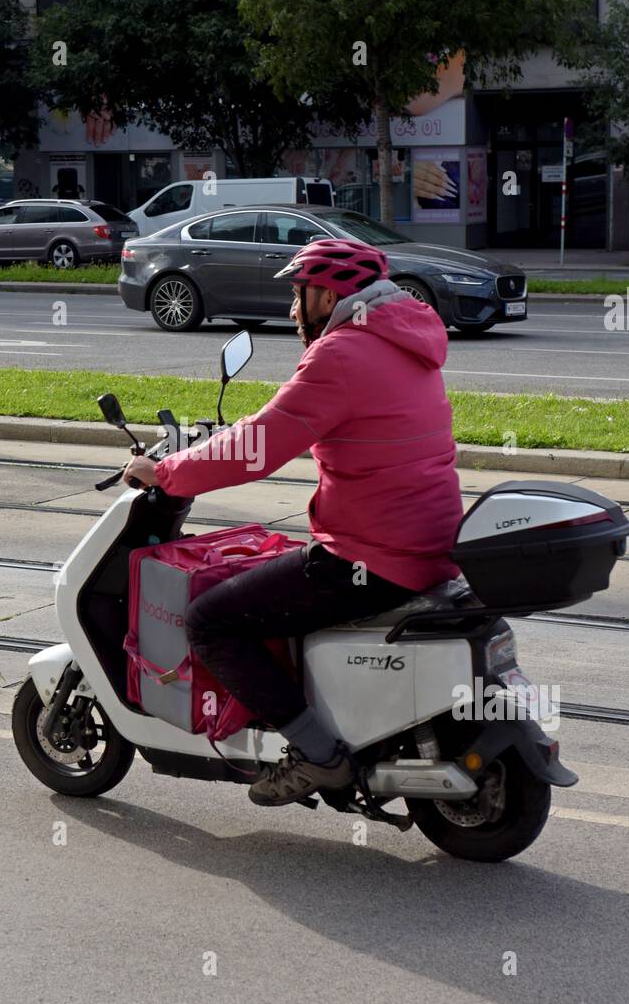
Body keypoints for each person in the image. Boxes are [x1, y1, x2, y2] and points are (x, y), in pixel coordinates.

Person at [123, 239, 464, 807]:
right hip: (430, 542)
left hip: (370, 557)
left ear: (327, 294)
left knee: (209, 619)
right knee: (272, 575)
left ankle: (317, 756)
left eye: (297, 295)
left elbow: (258, 445)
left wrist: (167, 473)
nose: (291, 310)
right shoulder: (409, 341)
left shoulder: (343, 354)